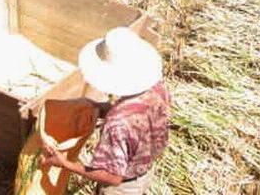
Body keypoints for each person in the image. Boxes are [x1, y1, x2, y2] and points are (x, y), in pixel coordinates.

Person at [41, 27, 170, 194]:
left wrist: (65, 163)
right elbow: (140, 119)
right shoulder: (158, 88)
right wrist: (102, 108)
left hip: (123, 188)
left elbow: (112, 177)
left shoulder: (117, 124)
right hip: (144, 171)